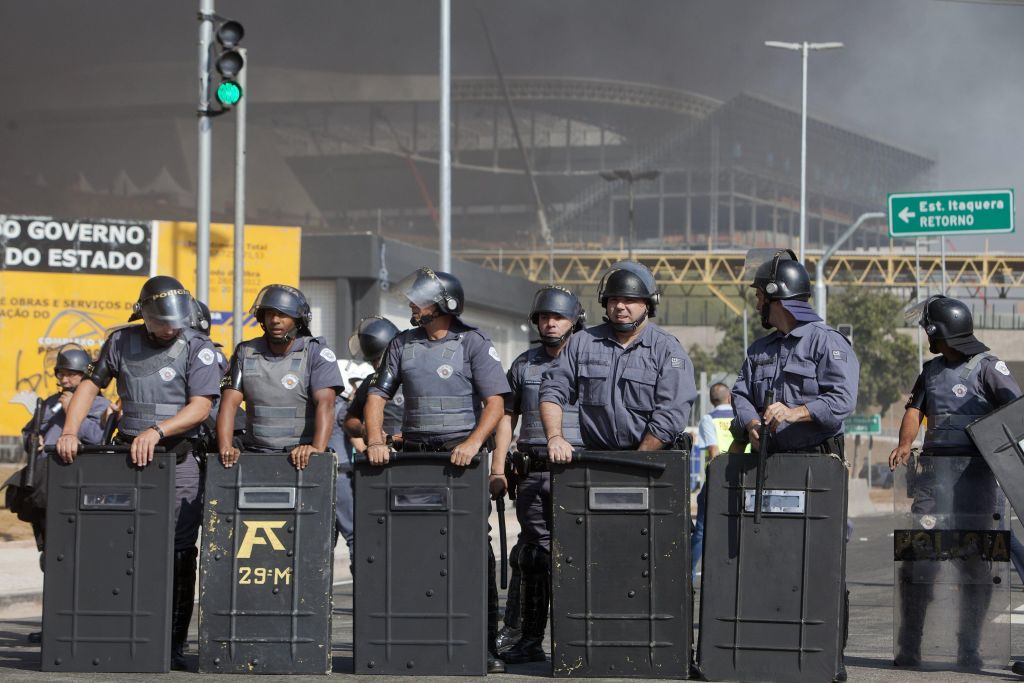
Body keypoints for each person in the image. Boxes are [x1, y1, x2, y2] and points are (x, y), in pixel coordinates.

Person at [56, 275, 221, 670]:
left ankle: (172, 643)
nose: (170, 328)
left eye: (176, 321)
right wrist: (69, 431)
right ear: (144, 315)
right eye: (162, 321)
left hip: (178, 458)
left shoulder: (198, 348)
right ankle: (120, 633)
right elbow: (89, 387)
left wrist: (158, 430)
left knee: (179, 550)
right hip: (129, 459)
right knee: (124, 543)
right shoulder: (120, 342)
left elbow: (201, 407)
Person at [364, 267, 511, 674]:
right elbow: (377, 395)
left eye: (420, 300)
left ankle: (483, 645)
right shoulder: (401, 343)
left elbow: (496, 403)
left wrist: (472, 443)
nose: (412, 305)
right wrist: (376, 441)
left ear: (443, 305)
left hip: (459, 459)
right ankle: (416, 638)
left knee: (472, 552)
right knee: (415, 548)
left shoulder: (473, 343)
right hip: (414, 455)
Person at [731, 249, 859, 682]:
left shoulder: (828, 342)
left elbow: (841, 401)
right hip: (770, 464)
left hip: (817, 465)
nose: (756, 305)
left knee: (823, 562)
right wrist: (750, 420)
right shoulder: (760, 348)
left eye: (758, 298)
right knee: (769, 558)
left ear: (776, 299)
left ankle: (830, 658)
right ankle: (772, 649)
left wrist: (796, 411)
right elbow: (740, 392)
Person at [888, 295, 1020, 672]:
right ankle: (910, 648)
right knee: (918, 562)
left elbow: (1014, 410)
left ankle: (969, 650)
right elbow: (914, 410)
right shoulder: (930, 372)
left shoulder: (989, 367)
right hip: (934, 481)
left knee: (975, 563)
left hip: (977, 479)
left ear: (938, 331)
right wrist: (904, 443)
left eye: (928, 328)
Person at [493, 286, 585, 664]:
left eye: (558, 317)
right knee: (531, 556)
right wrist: (498, 468)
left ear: (575, 320)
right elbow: (506, 416)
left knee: (578, 556)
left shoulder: (592, 358)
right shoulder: (525, 364)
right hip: (532, 471)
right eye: (544, 317)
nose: (550, 323)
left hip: (579, 473)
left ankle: (576, 641)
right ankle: (528, 639)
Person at [540, 260, 697, 460]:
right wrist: (555, 437)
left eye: (629, 299)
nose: (620, 306)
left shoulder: (667, 350)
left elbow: (671, 414)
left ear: (647, 304)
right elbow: (553, 389)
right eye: (613, 300)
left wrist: (638, 459)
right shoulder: (581, 343)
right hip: (597, 461)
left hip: (651, 461)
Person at [14, 346, 111, 644]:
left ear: (85, 377)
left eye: (72, 375)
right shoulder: (49, 404)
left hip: (78, 487)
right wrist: (35, 438)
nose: (65, 381)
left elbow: (98, 439)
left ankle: (80, 622)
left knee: (75, 558)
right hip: (44, 487)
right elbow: (27, 433)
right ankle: (53, 624)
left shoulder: (98, 405)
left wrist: (73, 411)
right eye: (62, 374)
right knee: (49, 558)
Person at [216, 284, 343, 470]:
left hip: (300, 458)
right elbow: (228, 404)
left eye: (283, 314)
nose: (275, 320)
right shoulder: (245, 352)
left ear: (298, 319)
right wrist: (226, 447)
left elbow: (326, 403)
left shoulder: (316, 352)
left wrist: (316, 449)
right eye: (269, 314)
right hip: (255, 454)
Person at [337, 316, 404, 559]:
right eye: (373, 360)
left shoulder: (418, 378)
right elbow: (349, 421)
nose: (377, 365)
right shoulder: (371, 382)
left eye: (380, 358)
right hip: (379, 467)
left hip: (417, 464)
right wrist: (369, 432)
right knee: (375, 534)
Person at [690, 382, 738, 582]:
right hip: (742, 477)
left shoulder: (709, 420)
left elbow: (712, 450)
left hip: (717, 479)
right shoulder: (740, 417)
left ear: (711, 401)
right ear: (729, 398)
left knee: (701, 529)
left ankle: (688, 574)